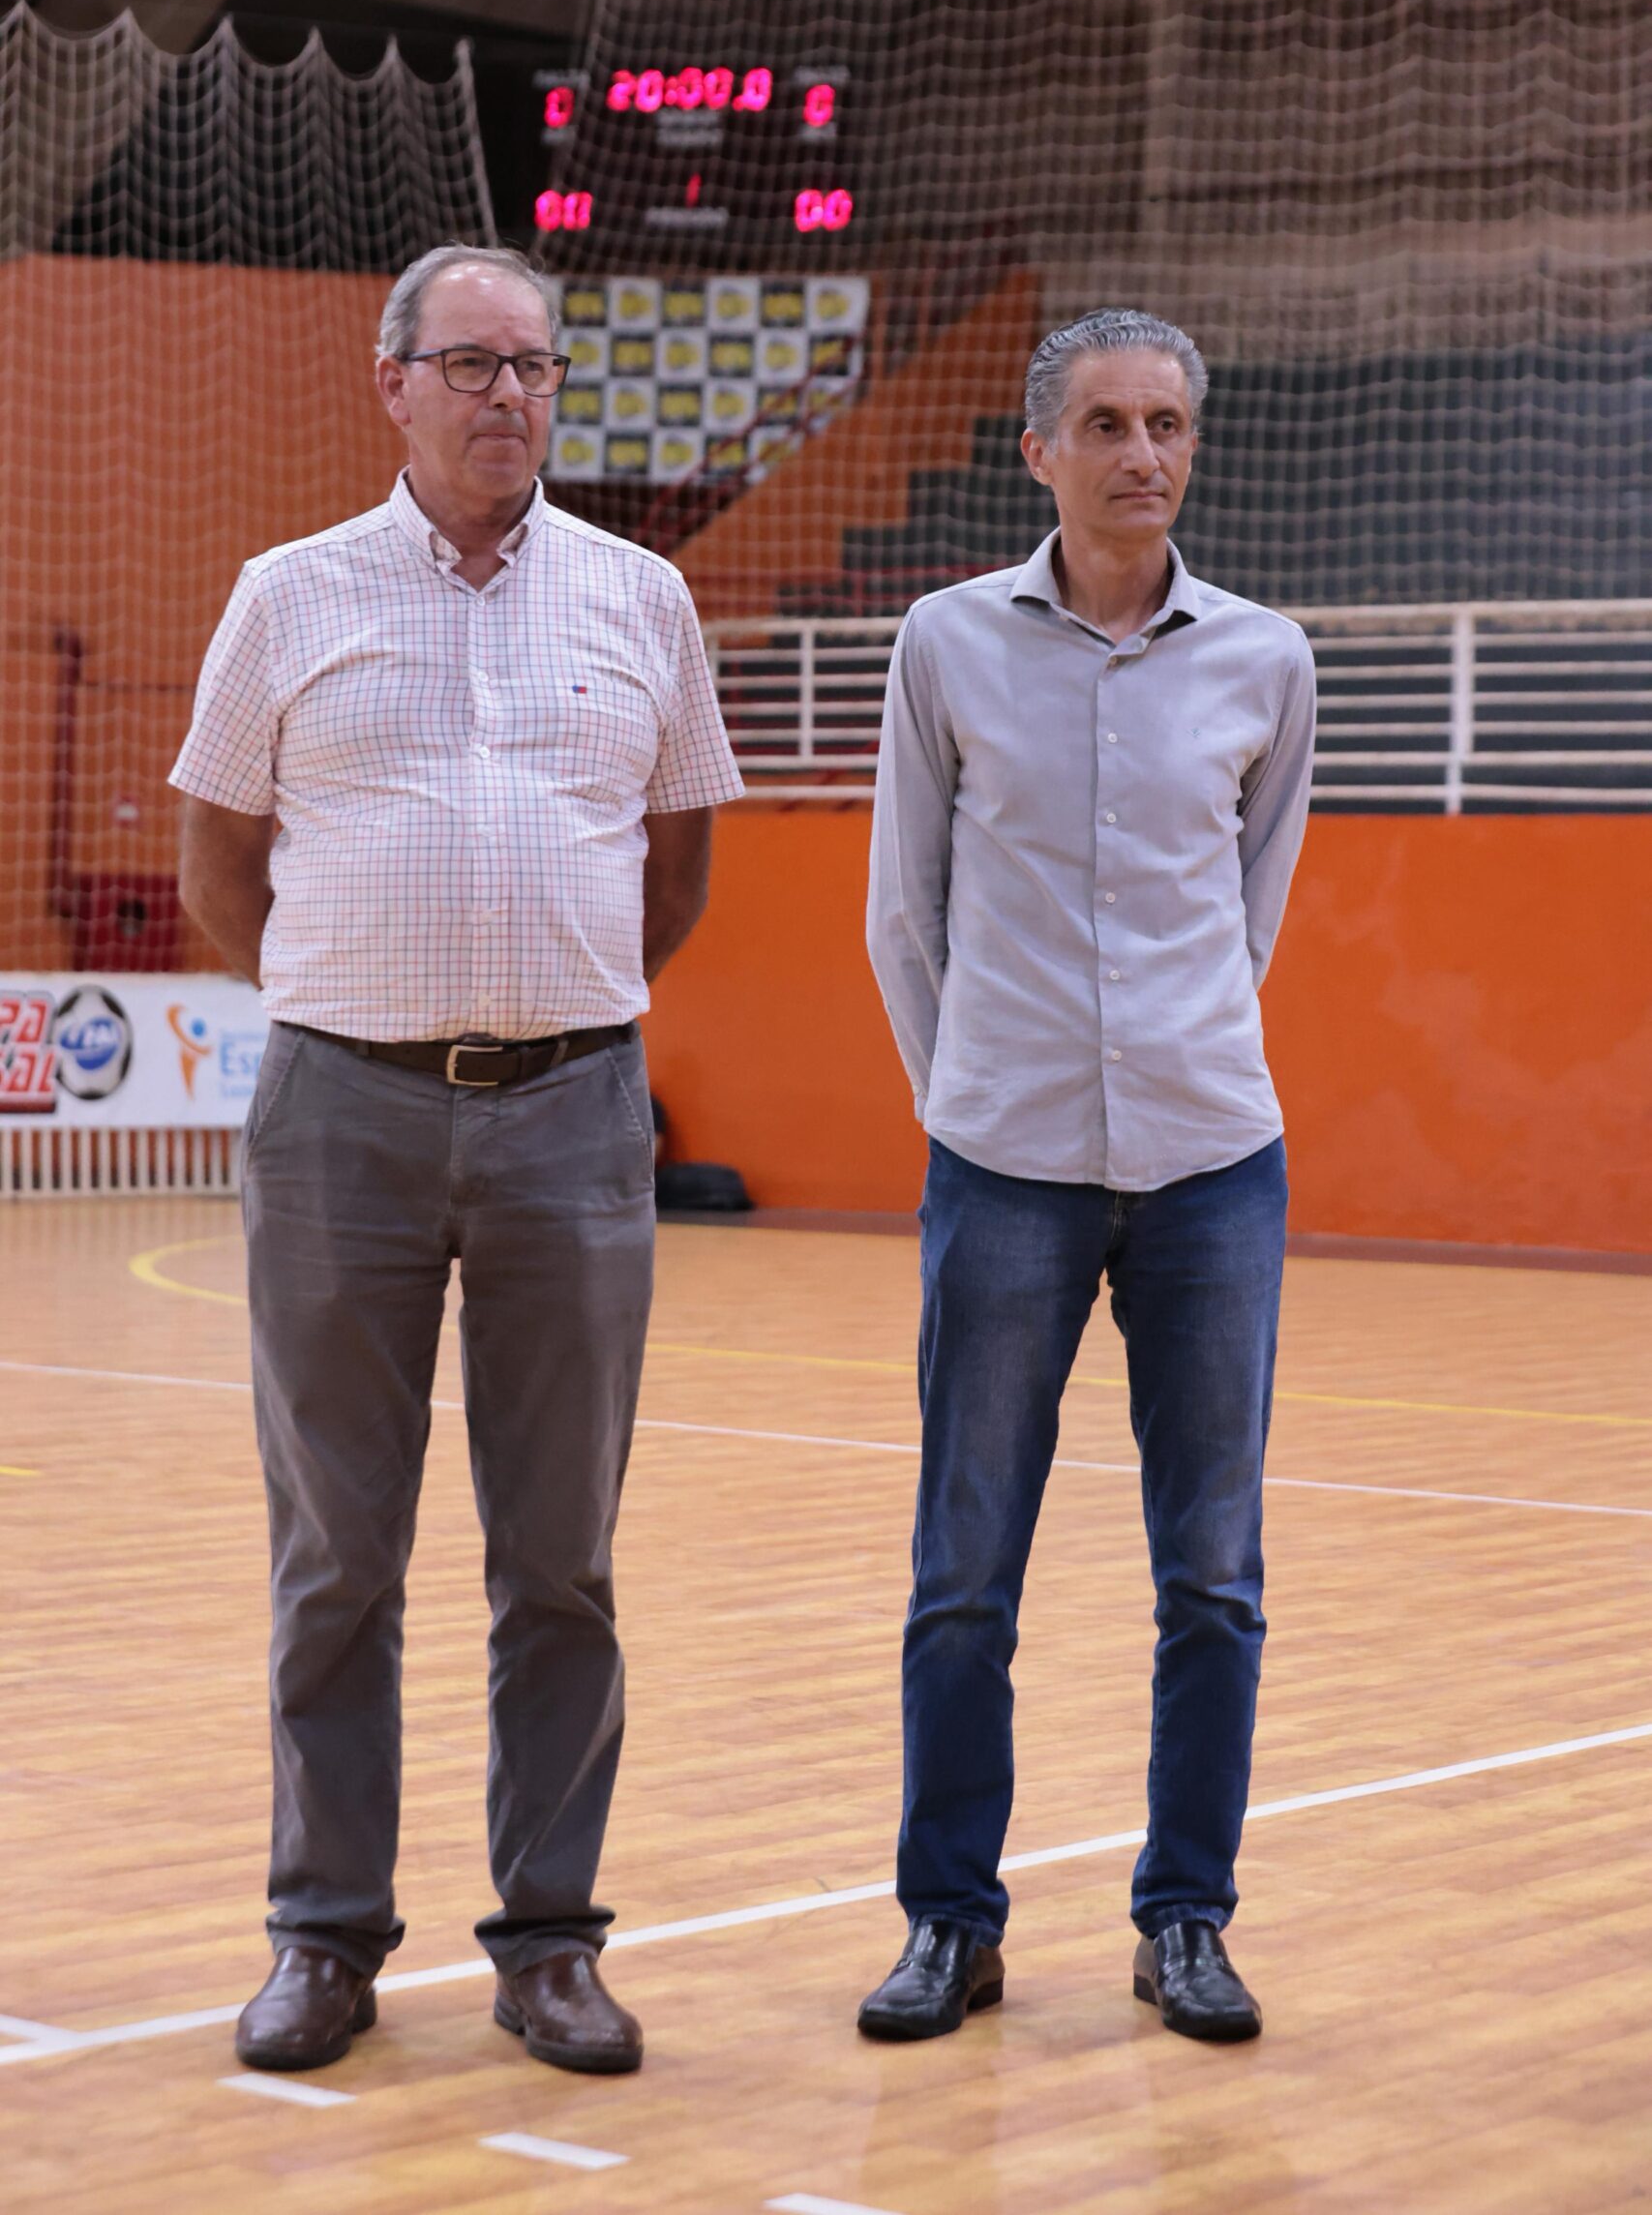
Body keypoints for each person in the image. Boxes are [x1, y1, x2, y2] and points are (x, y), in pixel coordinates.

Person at [171, 243, 744, 2077]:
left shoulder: (645, 595)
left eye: (535, 367)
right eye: (475, 364)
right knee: (336, 1553)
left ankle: (551, 1942)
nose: (511, 395)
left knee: (560, 1555)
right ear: (394, 382)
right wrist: (354, 997)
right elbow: (218, 860)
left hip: (575, 1115)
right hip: (338, 1112)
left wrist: (556, 1008)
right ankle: (324, 1937)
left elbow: (676, 866)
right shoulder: (286, 593)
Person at [860, 308, 1315, 2047]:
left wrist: (1169, 1056)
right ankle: (949, 1926)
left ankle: (1186, 1921)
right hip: (1005, 1167)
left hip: (1213, 1165)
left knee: (1214, 1578)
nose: (1144, 453)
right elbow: (906, 912)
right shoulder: (946, 643)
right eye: (1110, 423)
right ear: (1038, 449)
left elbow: (1251, 910)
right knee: (965, 1574)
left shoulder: (1267, 659)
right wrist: (971, 1099)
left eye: (1168, 423)